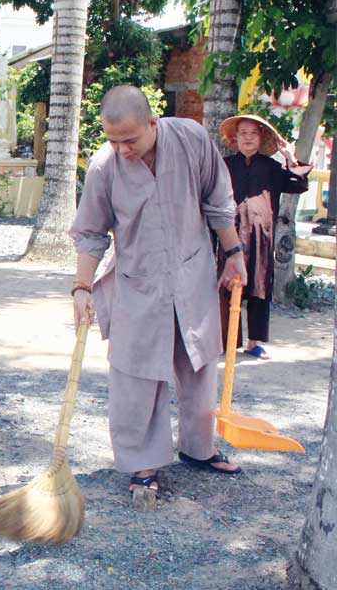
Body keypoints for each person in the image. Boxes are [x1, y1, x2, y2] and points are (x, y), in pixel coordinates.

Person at [69, 86, 246, 499]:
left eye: (129, 139)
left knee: (198, 361)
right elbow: (91, 233)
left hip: (192, 272)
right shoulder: (103, 167)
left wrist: (234, 252)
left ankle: (199, 448)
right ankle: (141, 463)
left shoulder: (191, 139)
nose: (122, 149)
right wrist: (81, 288)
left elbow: (218, 200)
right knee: (135, 371)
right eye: (113, 140)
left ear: (153, 123)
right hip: (138, 281)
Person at [216, 114, 311, 359]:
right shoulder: (225, 166)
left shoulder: (272, 167)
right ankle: (228, 341)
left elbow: (299, 184)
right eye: (243, 133)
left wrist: (288, 157)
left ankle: (254, 342)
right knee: (226, 286)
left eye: (253, 133)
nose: (247, 138)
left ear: (261, 138)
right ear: (234, 138)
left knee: (259, 287)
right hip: (231, 235)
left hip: (261, 237)